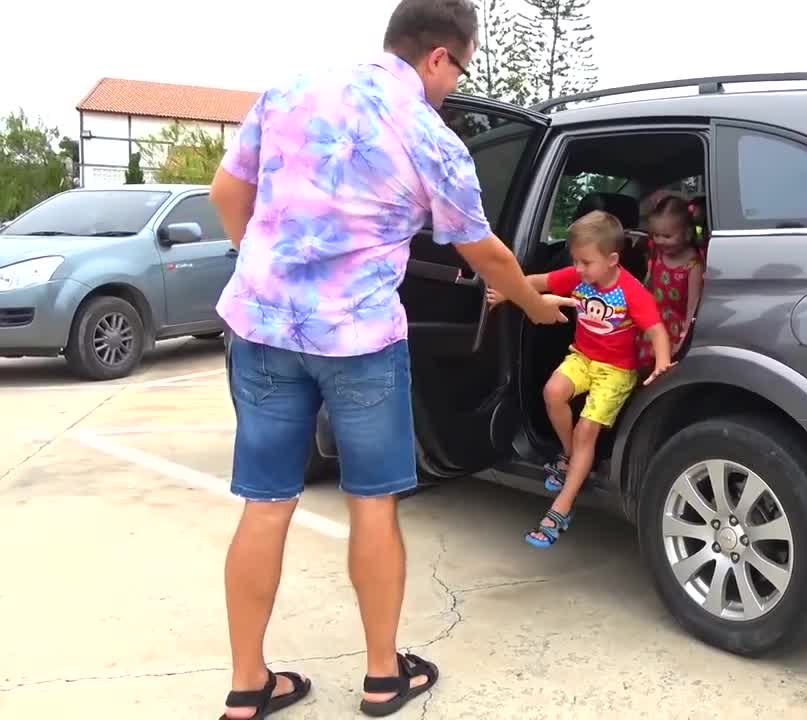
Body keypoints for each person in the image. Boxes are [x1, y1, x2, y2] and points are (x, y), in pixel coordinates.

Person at [208, 1, 574, 717]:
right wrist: (533, 307)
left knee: (265, 504)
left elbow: (228, 194)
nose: (452, 83)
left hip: (260, 329)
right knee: (372, 505)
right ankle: (382, 676)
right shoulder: (430, 138)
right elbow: (486, 254)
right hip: (361, 344)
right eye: (458, 68)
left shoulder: (292, 89)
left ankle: (247, 685)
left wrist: (266, 271)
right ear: (439, 57)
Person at [486, 211, 674, 548]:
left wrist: (661, 361)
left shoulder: (631, 291)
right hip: (583, 358)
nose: (580, 269)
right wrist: (508, 292)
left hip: (616, 371)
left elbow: (656, 329)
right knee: (553, 392)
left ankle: (563, 506)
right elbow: (538, 281)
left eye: (586, 262)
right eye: (576, 261)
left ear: (612, 260)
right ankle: (571, 456)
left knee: (587, 429)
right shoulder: (578, 277)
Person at [637, 195, 704, 369]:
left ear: (687, 234)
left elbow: (692, 307)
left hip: (675, 329)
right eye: (656, 235)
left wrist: (683, 340)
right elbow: (648, 287)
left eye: (667, 236)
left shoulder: (693, 265)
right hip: (653, 321)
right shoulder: (657, 255)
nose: (660, 241)